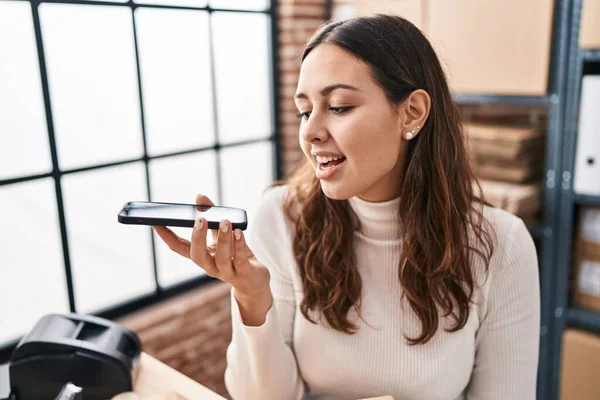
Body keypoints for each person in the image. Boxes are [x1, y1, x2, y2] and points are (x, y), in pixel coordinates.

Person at [153, 14, 540, 400]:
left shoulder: (501, 246)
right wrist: (251, 298)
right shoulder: (281, 217)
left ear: (413, 112)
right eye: (305, 110)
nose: (310, 131)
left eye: (338, 107)